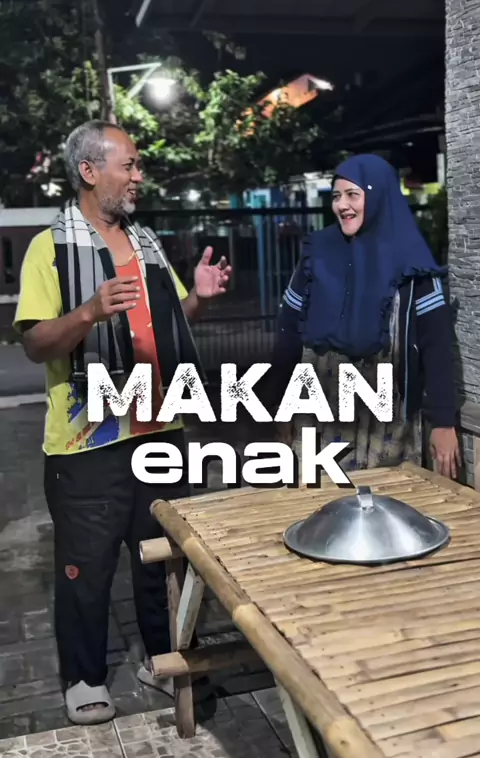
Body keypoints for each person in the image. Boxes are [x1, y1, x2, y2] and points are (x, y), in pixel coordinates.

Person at [13, 120, 231, 725]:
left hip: (160, 430)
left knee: (163, 559)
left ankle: (164, 662)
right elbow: (35, 344)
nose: (139, 176)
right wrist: (88, 311)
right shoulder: (50, 248)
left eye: (137, 166)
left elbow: (168, 320)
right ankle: (84, 677)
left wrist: (199, 298)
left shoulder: (148, 243)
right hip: (88, 442)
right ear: (90, 172)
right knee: (87, 568)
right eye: (128, 165)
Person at [270, 153, 460, 479]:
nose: (341, 205)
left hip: (386, 421)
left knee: (386, 501)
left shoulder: (412, 263)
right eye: (336, 196)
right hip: (319, 409)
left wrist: (443, 422)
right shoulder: (317, 254)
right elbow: (288, 333)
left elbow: (437, 345)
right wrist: (278, 404)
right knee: (316, 503)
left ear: (379, 195)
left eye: (352, 194)